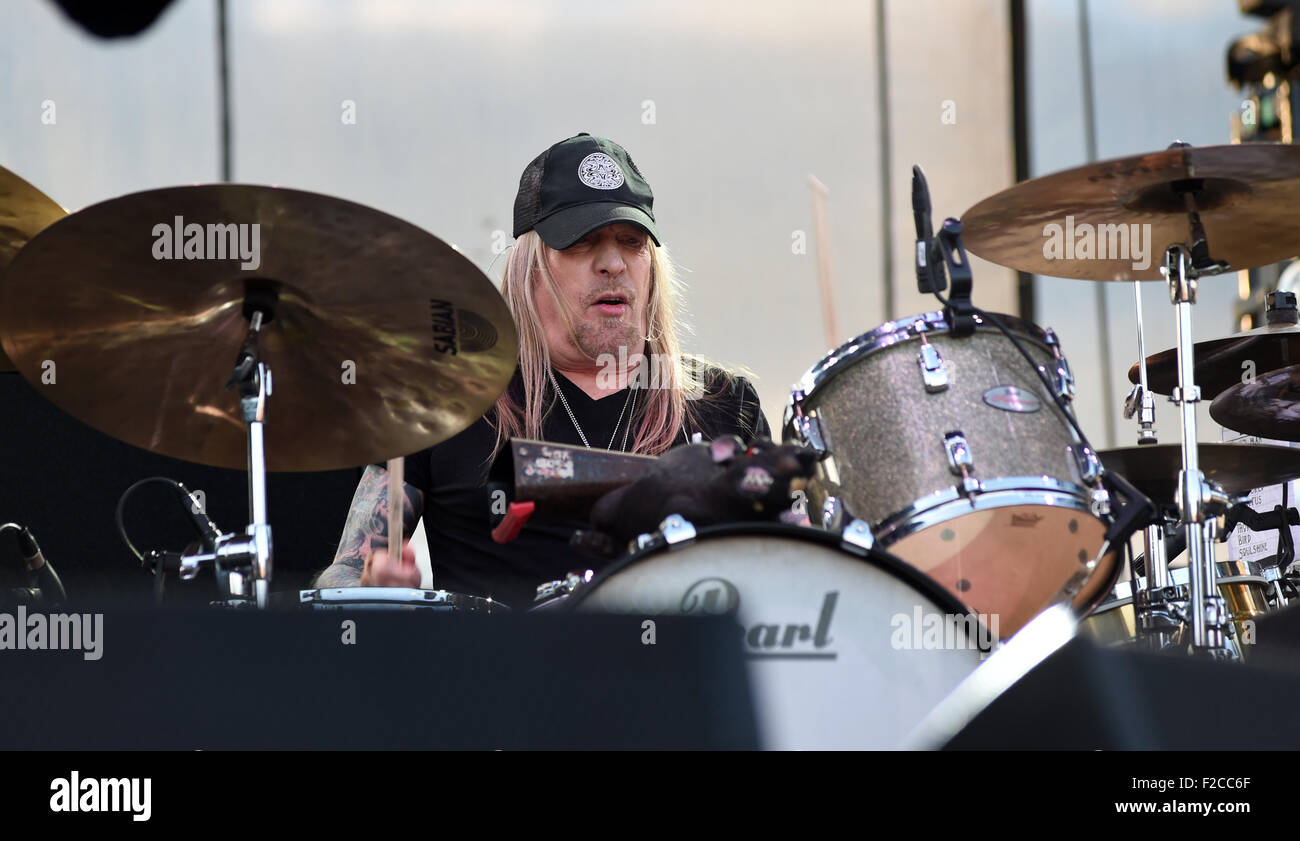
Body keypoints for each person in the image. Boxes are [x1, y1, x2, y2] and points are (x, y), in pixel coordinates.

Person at [314, 133, 770, 607]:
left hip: (679, 673)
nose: (613, 263)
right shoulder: (446, 397)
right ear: (529, 269)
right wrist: (371, 588)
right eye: (583, 242)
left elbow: (800, 574)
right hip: (499, 676)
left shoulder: (724, 405)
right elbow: (343, 572)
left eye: (632, 243)